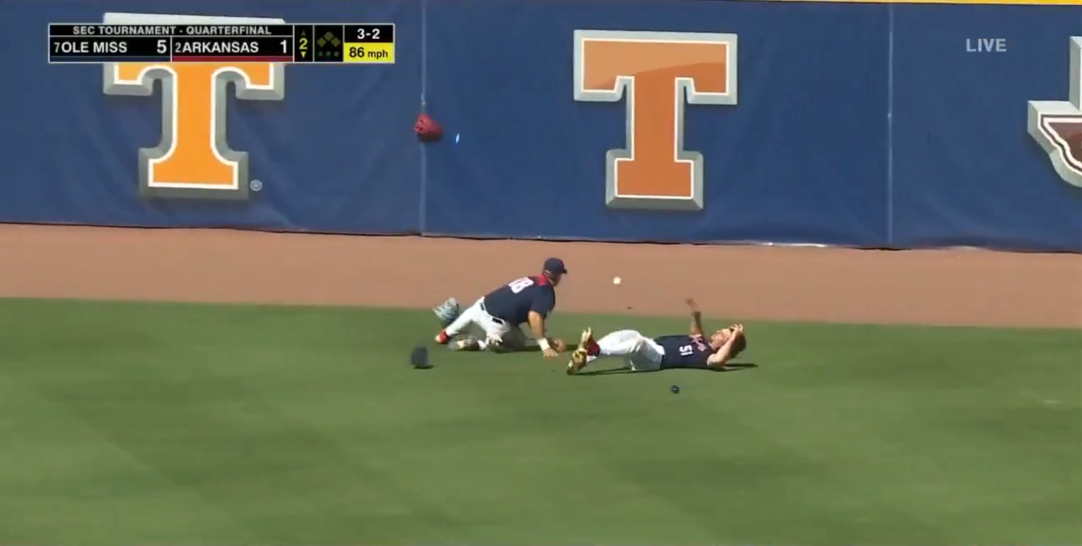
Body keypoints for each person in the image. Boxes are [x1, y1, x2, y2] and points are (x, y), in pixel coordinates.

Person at [567, 298, 747, 375]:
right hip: (650, 348)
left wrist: (734, 338)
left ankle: (595, 350)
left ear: (726, 344)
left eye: (723, 335)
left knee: (637, 342)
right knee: (627, 334)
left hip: (655, 360)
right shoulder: (701, 341)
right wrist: (696, 314)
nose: (718, 333)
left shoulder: (709, 357)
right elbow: (695, 333)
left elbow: (719, 361)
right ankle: (585, 359)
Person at [432, 257, 568, 358]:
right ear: (557, 275)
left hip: (477, 308)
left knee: (441, 338)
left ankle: (449, 333)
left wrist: (546, 337)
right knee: (521, 342)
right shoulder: (546, 292)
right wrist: (545, 345)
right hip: (497, 324)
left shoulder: (530, 279)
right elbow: (534, 316)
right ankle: (483, 343)